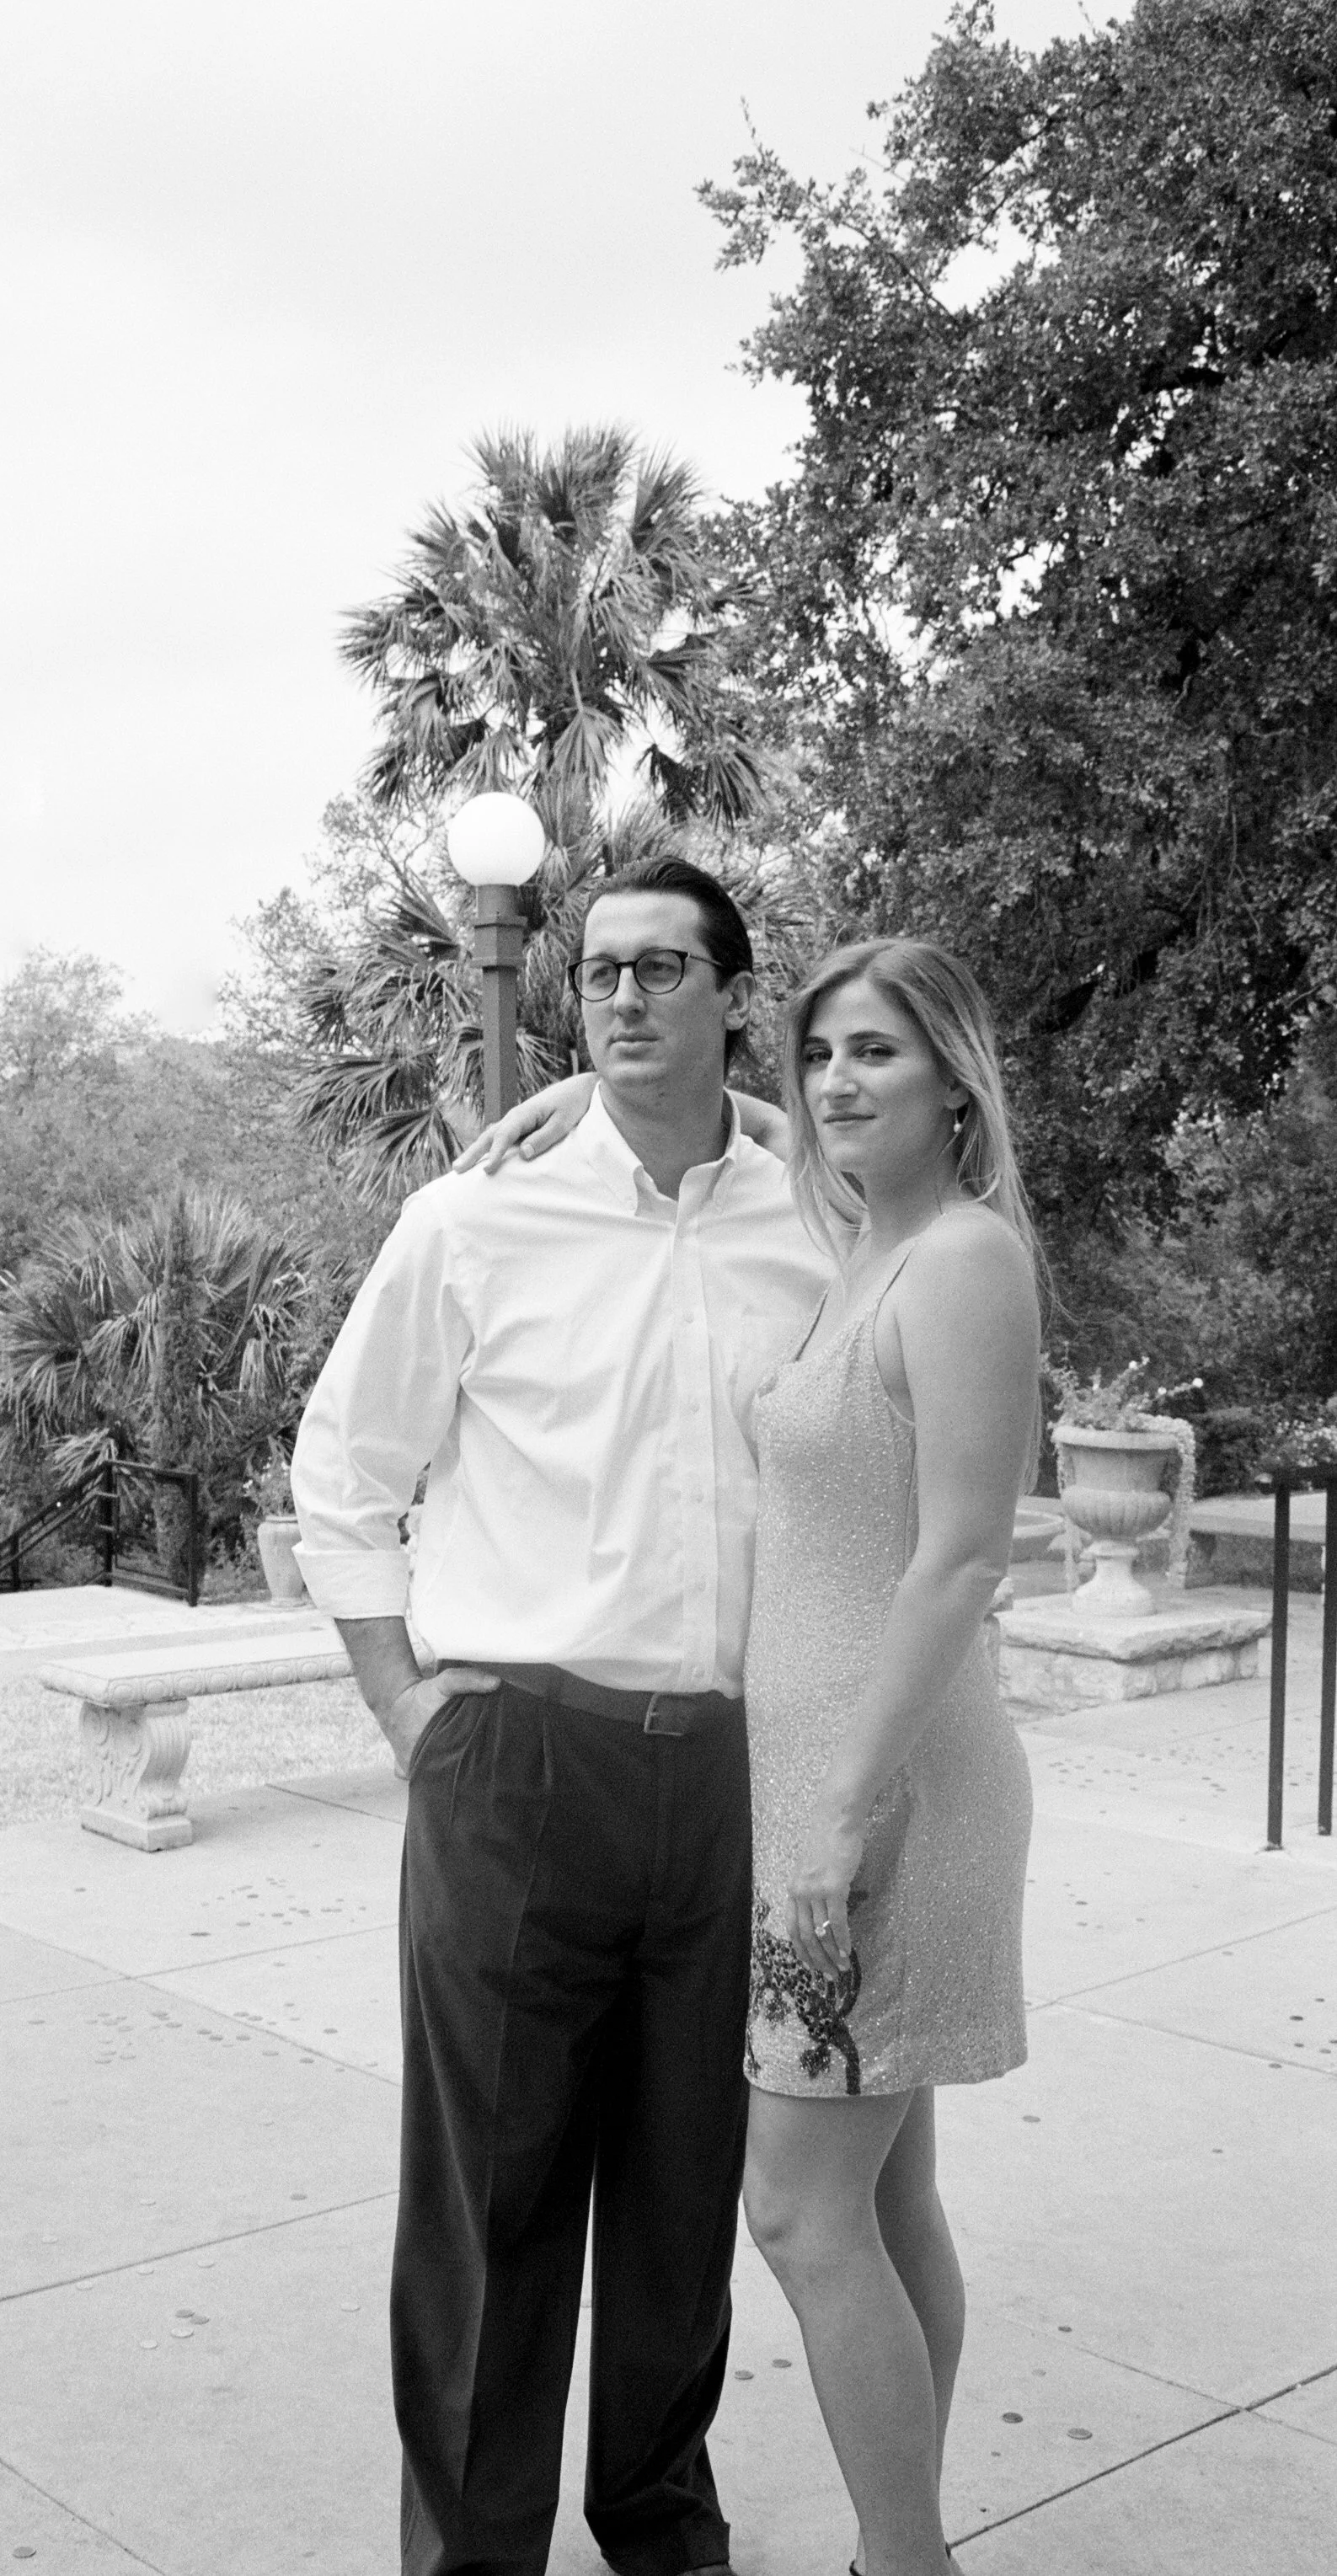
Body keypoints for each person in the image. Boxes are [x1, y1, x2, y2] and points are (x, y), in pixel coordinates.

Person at [468, 936, 1041, 2576]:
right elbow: (750, 1124)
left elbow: (954, 1559)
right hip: (815, 1786)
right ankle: (902, 2547)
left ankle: (902, 2560)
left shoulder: (956, 1264)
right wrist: (595, 1084)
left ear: (952, 1075)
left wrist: (840, 1815)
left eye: (878, 1050)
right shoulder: (861, 1237)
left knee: (795, 2207)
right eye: (825, 1056)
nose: (843, 1081)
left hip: (878, 1797)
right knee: (883, 2196)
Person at [290, 853, 831, 2576]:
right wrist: (406, 1706)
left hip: (740, 1768)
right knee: (490, 2203)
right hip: (515, 1758)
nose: (617, 997)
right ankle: (470, 2551)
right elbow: (343, 1469)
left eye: (661, 967)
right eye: (596, 969)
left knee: (686, 2198)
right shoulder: (473, 1218)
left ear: (730, 994)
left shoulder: (814, 1218)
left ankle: (660, 2521)